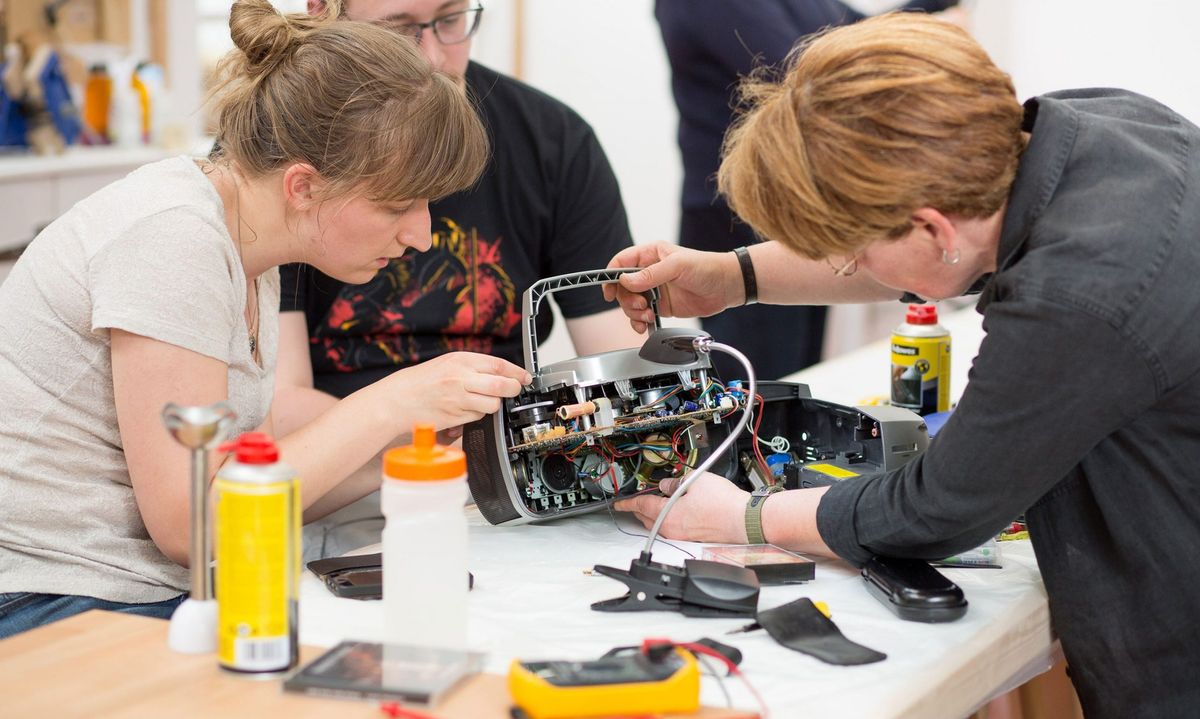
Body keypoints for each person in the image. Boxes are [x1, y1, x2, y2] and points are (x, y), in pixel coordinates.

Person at [606, 13, 1200, 717]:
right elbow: (936, 255)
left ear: (929, 227)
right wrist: (734, 277)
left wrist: (746, 514)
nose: (849, 267)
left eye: (850, 253)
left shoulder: (1074, 293)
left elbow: (939, 507)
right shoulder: (1097, 128)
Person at [0, 0, 527, 639]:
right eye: (398, 206)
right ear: (303, 187)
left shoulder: (252, 245)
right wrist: (389, 404)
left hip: (134, 589)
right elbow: (194, 526)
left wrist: (411, 451)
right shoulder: (173, 240)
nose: (420, 236)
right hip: (48, 601)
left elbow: (264, 486)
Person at [282, 0, 646, 559]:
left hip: (503, 483)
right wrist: (413, 422)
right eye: (398, 29)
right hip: (330, 492)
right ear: (325, 13)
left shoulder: (553, 141)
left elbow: (622, 372)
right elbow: (276, 411)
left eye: (451, 20)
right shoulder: (278, 159)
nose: (432, 57)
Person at [653, 0, 958, 380]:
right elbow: (803, 65)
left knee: (800, 380)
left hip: (802, 207)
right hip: (736, 215)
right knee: (760, 388)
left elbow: (858, 32)